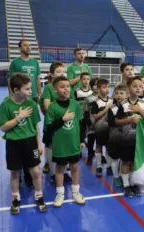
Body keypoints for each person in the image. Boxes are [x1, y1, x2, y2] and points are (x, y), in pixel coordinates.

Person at [0, 73, 47, 214]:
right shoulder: (5, 105)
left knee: (36, 172)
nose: (30, 91)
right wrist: (18, 117)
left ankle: (39, 196)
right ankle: (15, 198)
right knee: (15, 173)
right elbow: (3, 127)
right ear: (15, 90)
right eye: (26, 89)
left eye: (30, 88)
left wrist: (38, 144)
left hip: (30, 142)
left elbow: (36, 127)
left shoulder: (31, 104)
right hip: (13, 143)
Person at [45, 76, 86, 208]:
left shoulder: (75, 104)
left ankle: (76, 192)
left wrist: (81, 140)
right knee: (60, 169)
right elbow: (49, 127)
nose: (66, 89)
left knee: (74, 167)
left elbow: (80, 123)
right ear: (55, 89)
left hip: (73, 144)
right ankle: (60, 193)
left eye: (68, 86)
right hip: (60, 145)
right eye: (62, 87)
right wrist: (63, 119)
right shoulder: (52, 107)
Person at [7, 39, 42, 186]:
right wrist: (11, 96)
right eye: (26, 45)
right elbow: (10, 80)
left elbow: (38, 79)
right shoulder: (15, 63)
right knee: (19, 126)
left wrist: (39, 94)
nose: (29, 47)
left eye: (30, 45)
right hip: (19, 98)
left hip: (32, 97)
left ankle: (29, 170)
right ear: (20, 48)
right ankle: (18, 171)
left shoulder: (35, 63)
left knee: (32, 126)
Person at [116, 76, 144, 197]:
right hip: (125, 138)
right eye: (135, 86)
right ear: (128, 88)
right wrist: (129, 119)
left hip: (140, 139)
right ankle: (126, 185)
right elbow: (116, 121)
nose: (138, 88)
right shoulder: (123, 104)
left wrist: (140, 111)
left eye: (140, 86)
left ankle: (132, 183)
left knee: (134, 162)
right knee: (126, 162)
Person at [40, 62, 64, 180]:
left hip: (63, 123)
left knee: (60, 145)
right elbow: (47, 106)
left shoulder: (65, 87)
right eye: (58, 72)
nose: (62, 74)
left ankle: (60, 171)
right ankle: (50, 169)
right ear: (52, 74)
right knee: (50, 144)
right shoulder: (49, 88)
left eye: (63, 71)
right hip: (52, 122)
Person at [91, 79, 113, 177]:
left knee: (109, 147)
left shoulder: (112, 100)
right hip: (99, 128)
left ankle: (109, 166)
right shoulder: (96, 102)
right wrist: (106, 109)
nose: (107, 89)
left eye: (108, 87)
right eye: (104, 87)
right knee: (99, 146)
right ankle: (99, 165)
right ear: (98, 88)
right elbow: (95, 116)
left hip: (110, 128)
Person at [107, 83, 127, 187]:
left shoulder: (130, 107)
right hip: (115, 137)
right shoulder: (112, 108)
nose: (119, 95)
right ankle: (115, 177)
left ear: (126, 94)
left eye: (121, 93)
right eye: (117, 93)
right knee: (114, 158)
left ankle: (126, 178)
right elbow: (111, 122)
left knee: (125, 159)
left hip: (127, 138)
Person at [83, 77, 99, 165]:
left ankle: (99, 155)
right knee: (91, 140)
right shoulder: (88, 99)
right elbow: (85, 112)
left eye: (98, 85)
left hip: (102, 125)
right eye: (94, 85)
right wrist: (89, 123)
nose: (97, 87)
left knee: (100, 141)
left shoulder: (106, 98)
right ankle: (90, 155)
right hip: (92, 124)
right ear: (91, 86)